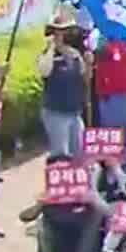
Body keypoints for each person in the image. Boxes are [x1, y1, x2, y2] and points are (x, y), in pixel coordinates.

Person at [37, 14, 89, 159]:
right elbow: (44, 71)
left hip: (75, 112)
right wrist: (52, 46)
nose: (63, 35)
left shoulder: (75, 54)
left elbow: (84, 77)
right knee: (61, 155)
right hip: (56, 112)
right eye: (59, 31)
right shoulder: (48, 55)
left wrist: (89, 63)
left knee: (79, 152)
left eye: (66, 31)